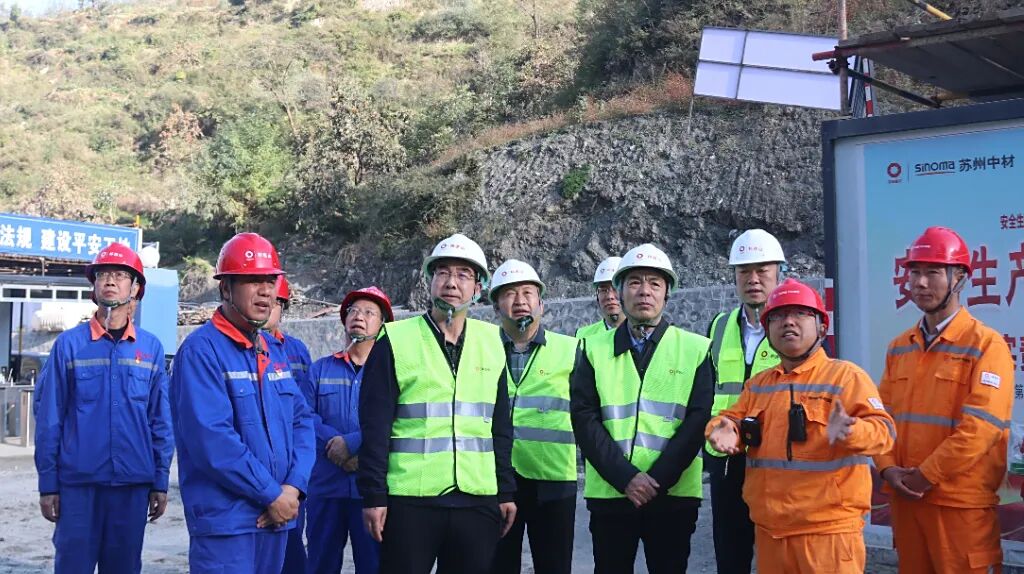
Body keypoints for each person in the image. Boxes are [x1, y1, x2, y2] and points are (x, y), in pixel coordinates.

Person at [706, 278, 895, 573]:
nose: (788, 322)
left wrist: (852, 431)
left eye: (800, 313)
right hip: (771, 534)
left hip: (828, 536)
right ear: (768, 331)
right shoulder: (759, 385)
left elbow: (884, 432)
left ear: (821, 327)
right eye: (778, 316)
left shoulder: (845, 378)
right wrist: (721, 429)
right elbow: (732, 419)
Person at [358, 233, 516, 574]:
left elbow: (500, 427)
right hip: (411, 502)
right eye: (443, 272)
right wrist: (374, 495)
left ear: (478, 287)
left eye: (463, 274)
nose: (451, 282)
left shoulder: (492, 341)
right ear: (430, 282)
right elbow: (375, 426)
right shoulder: (395, 339)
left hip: (477, 499)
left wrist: (505, 490)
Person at [170, 232, 315, 574]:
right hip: (227, 526)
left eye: (270, 281)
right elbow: (213, 441)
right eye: (252, 281)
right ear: (225, 288)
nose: (265, 291)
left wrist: (294, 487)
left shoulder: (272, 351)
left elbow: (302, 422)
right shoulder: (201, 352)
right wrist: (271, 494)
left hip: (276, 519)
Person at [875, 227, 1013, 574]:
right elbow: (880, 417)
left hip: (960, 507)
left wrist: (925, 476)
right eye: (914, 272)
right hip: (907, 503)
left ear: (959, 278)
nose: (920, 283)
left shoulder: (986, 345)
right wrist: (887, 468)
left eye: (933, 272)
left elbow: (982, 429)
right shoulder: (900, 347)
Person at [571, 243, 713, 574]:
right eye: (634, 282)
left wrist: (656, 480)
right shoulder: (592, 348)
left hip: (673, 495)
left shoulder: (694, 349)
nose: (644, 291)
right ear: (619, 292)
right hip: (611, 495)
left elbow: (697, 421)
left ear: (667, 293)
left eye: (654, 283)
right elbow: (584, 418)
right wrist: (626, 478)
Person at [34, 243, 174, 574]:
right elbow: (50, 418)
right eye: (103, 274)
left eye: (120, 275)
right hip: (78, 488)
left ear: (135, 288)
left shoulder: (150, 349)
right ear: (94, 286)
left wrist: (160, 480)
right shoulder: (69, 346)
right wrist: (48, 483)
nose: (110, 280)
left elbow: (160, 421)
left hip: (132, 487)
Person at [488, 259, 579, 574]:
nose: (520, 301)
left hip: (553, 480)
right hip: (495, 479)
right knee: (498, 566)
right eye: (509, 294)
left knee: (554, 566)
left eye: (528, 292)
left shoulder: (571, 350)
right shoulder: (481, 350)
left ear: (541, 303)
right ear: (495, 306)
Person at [705, 229, 784, 574]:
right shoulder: (719, 326)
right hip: (726, 459)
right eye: (744, 271)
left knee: (777, 554)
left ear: (779, 273)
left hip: (774, 459)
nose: (753, 279)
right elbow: (708, 389)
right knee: (730, 553)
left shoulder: (792, 326)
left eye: (762, 270)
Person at [303, 286, 393, 574]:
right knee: (320, 563)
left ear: (382, 324)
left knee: (374, 565)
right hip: (326, 486)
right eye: (353, 311)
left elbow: (396, 418)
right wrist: (335, 444)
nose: (359, 317)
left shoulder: (392, 373)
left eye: (369, 312)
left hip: (371, 490)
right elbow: (304, 416)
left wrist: (353, 444)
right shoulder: (319, 370)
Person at [264, 276, 314, 574]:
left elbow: (305, 412)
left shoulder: (296, 351)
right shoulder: (224, 351)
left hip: (293, 468)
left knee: (293, 544)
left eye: (277, 302)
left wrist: (296, 482)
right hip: (260, 469)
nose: (269, 306)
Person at [575, 256, 624, 339]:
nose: (610, 296)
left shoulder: (643, 335)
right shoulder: (583, 336)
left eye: (616, 289)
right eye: (603, 290)